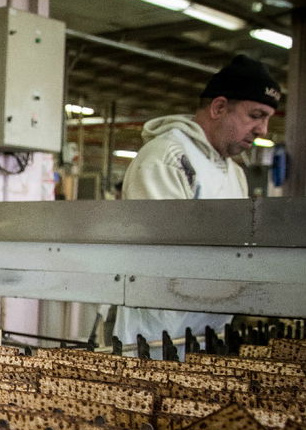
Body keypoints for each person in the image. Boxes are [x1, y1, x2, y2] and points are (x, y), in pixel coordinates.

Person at [115, 54, 281, 352]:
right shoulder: (168, 158)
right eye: (256, 115)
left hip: (207, 331)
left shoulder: (234, 172)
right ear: (219, 107)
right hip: (157, 334)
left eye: (267, 119)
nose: (263, 130)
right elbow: (163, 258)